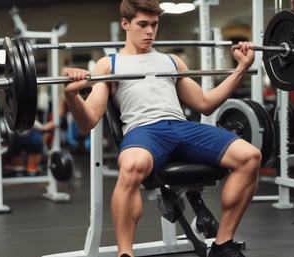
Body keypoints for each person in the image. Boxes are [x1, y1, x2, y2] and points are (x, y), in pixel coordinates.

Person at [62, 1, 261, 257]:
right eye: (142, 24)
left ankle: (223, 244)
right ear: (126, 24)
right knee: (131, 167)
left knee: (250, 157)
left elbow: (205, 104)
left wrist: (242, 68)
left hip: (181, 127)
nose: (150, 31)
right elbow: (87, 121)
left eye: (154, 25)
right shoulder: (109, 65)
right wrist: (71, 95)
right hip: (144, 131)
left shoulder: (172, 61)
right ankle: (125, 253)